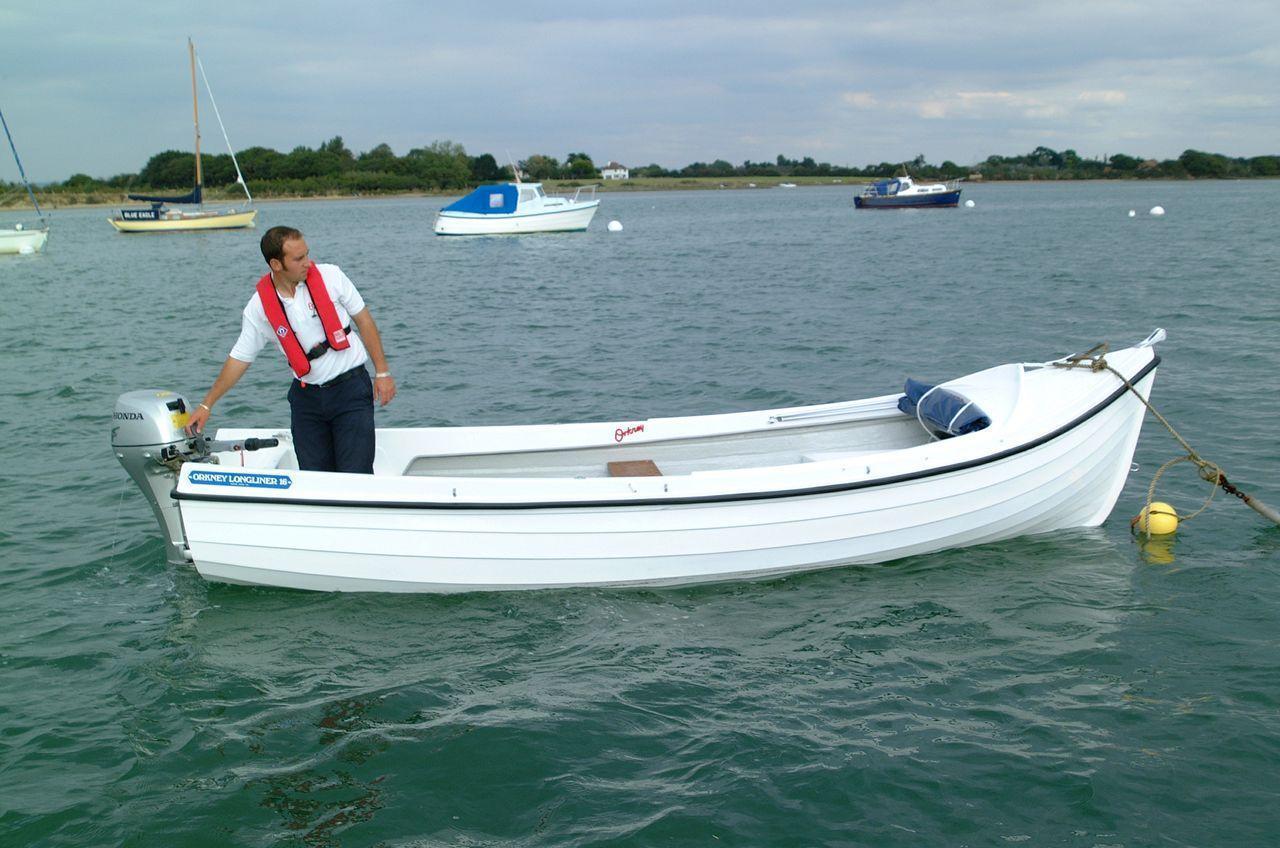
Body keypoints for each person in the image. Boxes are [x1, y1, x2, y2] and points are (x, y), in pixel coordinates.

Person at [187, 226, 396, 473]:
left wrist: (382, 373)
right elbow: (239, 358)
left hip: (350, 390)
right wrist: (207, 404)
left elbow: (364, 320)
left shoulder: (331, 276)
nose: (308, 263)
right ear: (276, 264)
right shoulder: (259, 308)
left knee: (355, 476)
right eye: (298, 259)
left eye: (307, 254)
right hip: (307, 401)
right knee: (313, 478)